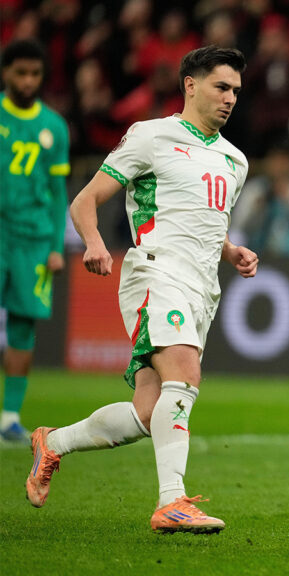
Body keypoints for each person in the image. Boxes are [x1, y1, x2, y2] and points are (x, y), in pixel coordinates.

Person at [25, 46, 257, 534]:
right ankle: (172, 501)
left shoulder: (235, 160)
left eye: (236, 89)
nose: (231, 97)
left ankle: (53, 442)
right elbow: (85, 199)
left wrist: (230, 250)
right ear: (190, 85)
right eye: (221, 86)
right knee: (185, 371)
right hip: (155, 272)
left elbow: (203, 221)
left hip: (202, 288)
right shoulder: (151, 137)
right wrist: (93, 242)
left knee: (150, 412)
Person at [0, 40, 71, 443]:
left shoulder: (54, 126)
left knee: (23, 327)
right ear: (6, 72)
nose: (28, 81)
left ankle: (9, 416)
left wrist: (57, 245)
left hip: (33, 238)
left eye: (35, 74)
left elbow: (58, 190)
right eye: (20, 73)